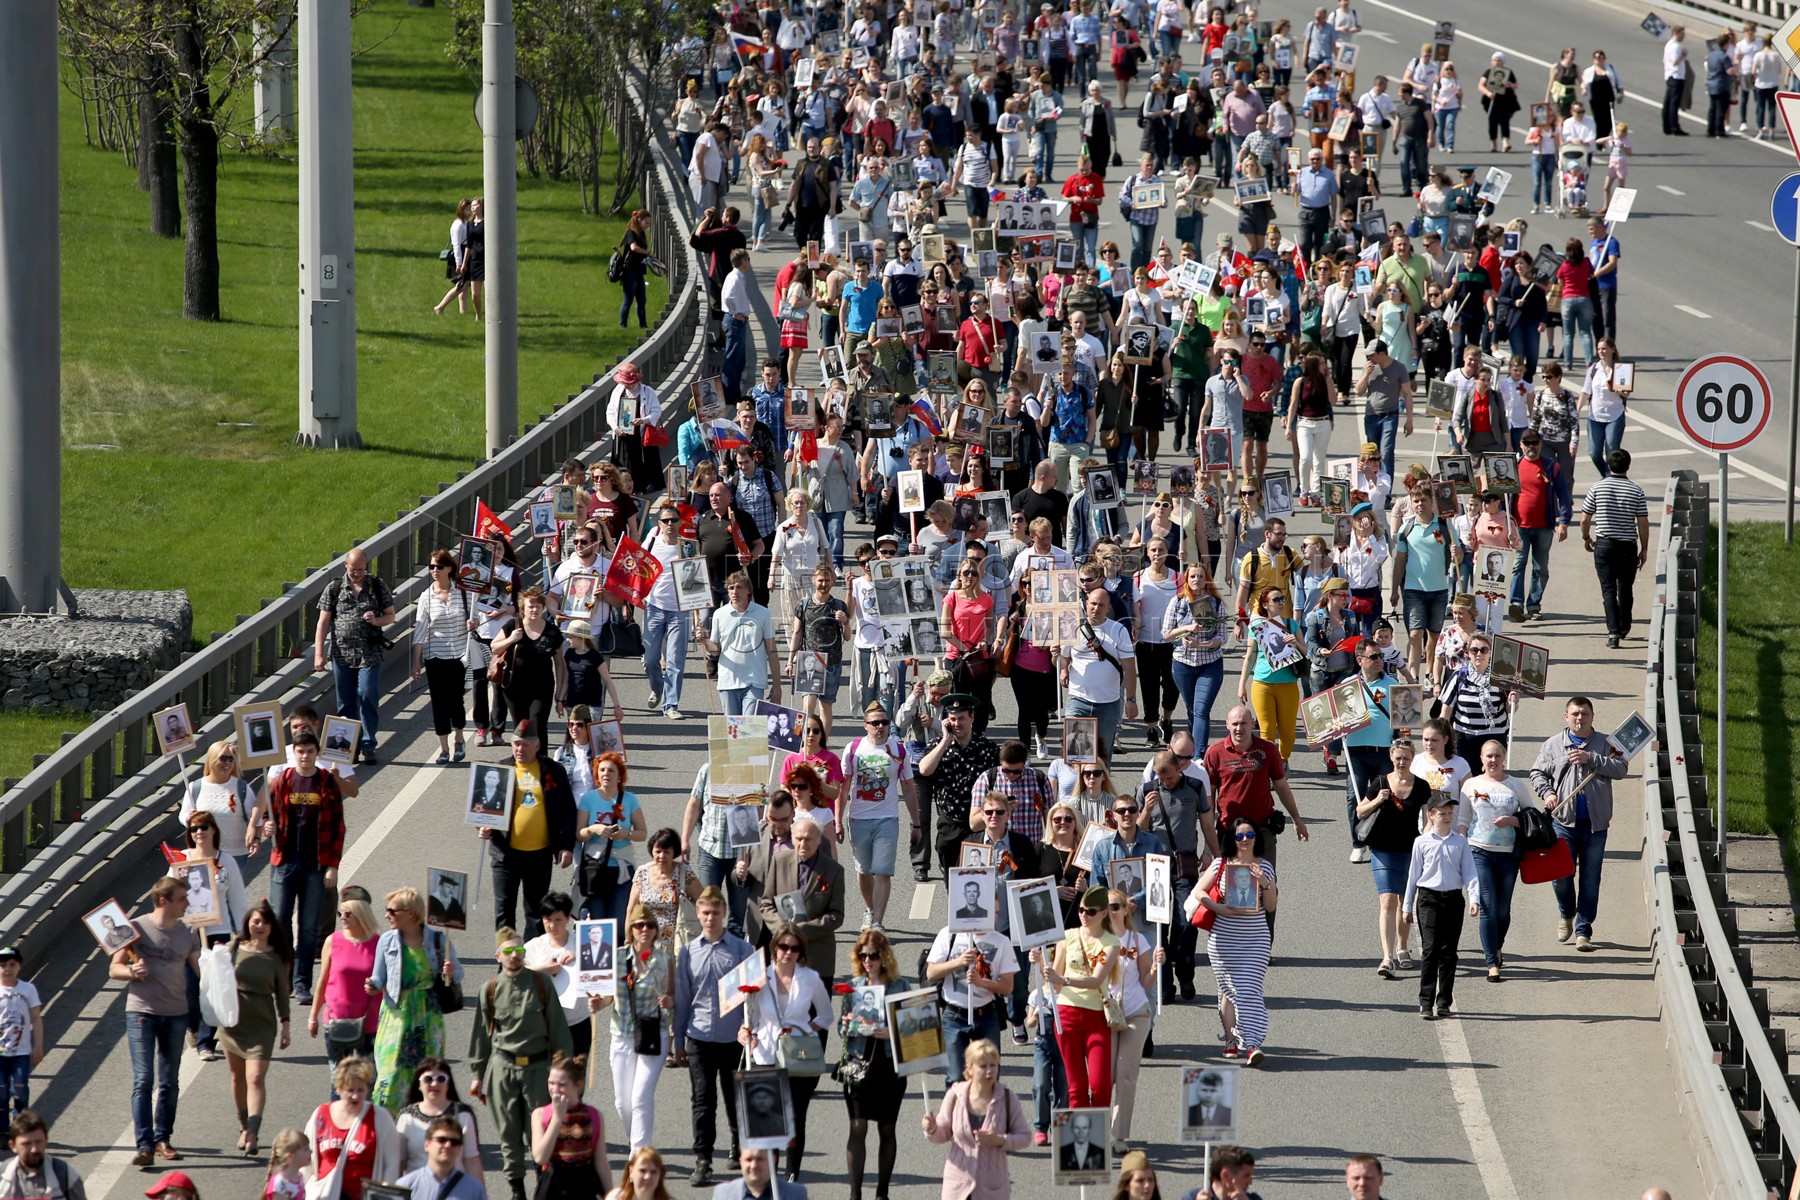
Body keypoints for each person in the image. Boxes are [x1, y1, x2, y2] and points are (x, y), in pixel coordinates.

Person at [470, 928, 573, 1200]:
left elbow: (558, 1030)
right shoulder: (489, 990)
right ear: (498, 956)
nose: (515, 955)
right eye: (508, 951)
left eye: (519, 950)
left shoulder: (540, 984)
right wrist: (477, 1074)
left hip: (538, 1070)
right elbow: (481, 1035)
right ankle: (517, 1191)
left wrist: (564, 1072)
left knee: (539, 1133)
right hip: (503, 1071)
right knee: (508, 1135)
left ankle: (543, 1187)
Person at [110, 873, 201, 1166]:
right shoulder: (134, 928)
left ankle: (163, 1139)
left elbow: (200, 969)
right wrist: (130, 972)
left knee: (169, 1081)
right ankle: (144, 1145)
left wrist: (220, 965)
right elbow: (114, 968)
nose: (187, 903)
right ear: (164, 901)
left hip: (176, 1013)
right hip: (142, 1012)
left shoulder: (189, 932)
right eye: (182, 899)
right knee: (143, 1079)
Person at [1530, 696, 1629, 952]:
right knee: (1561, 876)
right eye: (1575, 713)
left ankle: (1584, 930)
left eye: (1584, 713)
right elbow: (1537, 773)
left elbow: (1621, 768)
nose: (1579, 718)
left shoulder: (1607, 744)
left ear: (1592, 717)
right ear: (1566, 717)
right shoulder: (1553, 744)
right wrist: (1548, 793)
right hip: (1563, 823)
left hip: (1596, 825)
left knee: (1590, 881)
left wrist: (1591, 758)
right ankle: (1566, 913)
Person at [736, 927, 831, 1180]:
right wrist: (746, 1033)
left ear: (801, 952)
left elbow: (826, 1015)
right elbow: (752, 1018)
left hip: (798, 1056)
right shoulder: (760, 978)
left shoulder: (809, 978)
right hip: (765, 1055)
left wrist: (803, 1031)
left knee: (796, 1118)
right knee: (769, 1120)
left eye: (794, 948)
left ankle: (792, 1174)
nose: (788, 952)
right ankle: (771, 1175)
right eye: (784, 947)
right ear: (774, 948)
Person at [673, 888, 753, 1187]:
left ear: (724, 914)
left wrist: (749, 1030)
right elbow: (682, 999)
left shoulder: (742, 950)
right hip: (699, 1037)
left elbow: (753, 998)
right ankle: (703, 1159)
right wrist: (678, 1042)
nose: (710, 918)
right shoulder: (688, 952)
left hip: (733, 1039)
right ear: (698, 914)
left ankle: (737, 1144)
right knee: (703, 1100)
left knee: (734, 1098)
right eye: (705, 913)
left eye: (715, 913)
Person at [265, 730, 345, 1007]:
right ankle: (285, 979)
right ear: (294, 753)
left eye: (310, 752)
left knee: (309, 927)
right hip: (284, 862)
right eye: (300, 752)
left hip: (315, 865)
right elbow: (268, 813)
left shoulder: (326, 782)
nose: (305, 756)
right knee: (280, 921)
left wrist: (332, 866)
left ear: (316, 753)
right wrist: (265, 826)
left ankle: (302, 983)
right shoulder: (284, 780)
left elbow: (338, 827)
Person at [365, 888, 462, 1112]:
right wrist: (372, 985)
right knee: (389, 1074)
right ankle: (385, 1122)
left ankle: (424, 1120)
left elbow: (457, 974)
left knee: (427, 1075)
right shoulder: (387, 940)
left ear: (410, 913)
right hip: (396, 1015)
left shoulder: (438, 940)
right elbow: (379, 976)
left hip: (428, 1016)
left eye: (392, 911)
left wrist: (450, 972)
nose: (387, 915)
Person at [1196, 818, 1278, 1066]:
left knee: (1249, 988)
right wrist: (1218, 908)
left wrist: (1264, 882)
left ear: (1256, 838)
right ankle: (1231, 1040)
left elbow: (1271, 906)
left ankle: (1252, 1043)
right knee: (1228, 990)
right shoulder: (1221, 864)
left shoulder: (1265, 866)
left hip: (1255, 939)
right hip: (1223, 939)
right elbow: (1199, 892)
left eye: (1249, 835)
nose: (1245, 840)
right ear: (1232, 839)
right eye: (1240, 836)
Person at [1032, 885, 1121, 1109]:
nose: (1084, 915)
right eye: (1081, 910)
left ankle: (1099, 1129)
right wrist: (1041, 963)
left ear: (1104, 913)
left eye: (1090, 911)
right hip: (1066, 1014)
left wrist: (1064, 980)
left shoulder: (1111, 942)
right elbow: (1054, 982)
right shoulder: (1067, 936)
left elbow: (1096, 980)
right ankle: (1081, 1131)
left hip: (1096, 1016)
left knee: (1100, 1085)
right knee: (1076, 1088)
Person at [216, 900, 292, 1157]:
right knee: (237, 1077)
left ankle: (253, 1132)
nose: (260, 926)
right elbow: (216, 977)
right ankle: (243, 1126)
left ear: (272, 927)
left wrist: (286, 1024)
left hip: (262, 1024)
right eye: (255, 921)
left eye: (265, 922)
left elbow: (282, 994)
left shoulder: (277, 957)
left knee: (256, 1077)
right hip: (232, 1022)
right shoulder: (234, 948)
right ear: (248, 923)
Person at [838, 929, 908, 1200]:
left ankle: (882, 1193)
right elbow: (842, 1032)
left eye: (874, 955)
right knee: (858, 1126)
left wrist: (892, 1032)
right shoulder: (853, 986)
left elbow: (914, 1026)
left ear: (884, 956)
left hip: (888, 1064)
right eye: (863, 955)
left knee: (887, 1128)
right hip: (858, 1062)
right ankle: (855, 1194)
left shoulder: (900, 987)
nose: (868, 960)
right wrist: (847, 1024)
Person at [840, 703, 922, 929]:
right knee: (863, 871)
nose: (880, 726)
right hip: (858, 818)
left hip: (888, 819)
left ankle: (877, 921)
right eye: (875, 723)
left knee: (882, 872)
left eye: (884, 722)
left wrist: (916, 824)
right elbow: (843, 788)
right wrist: (837, 821)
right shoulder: (853, 749)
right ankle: (870, 909)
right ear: (865, 725)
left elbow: (908, 789)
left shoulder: (898, 750)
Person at [1355, 735, 1431, 977]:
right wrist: (1378, 800)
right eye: (1398, 758)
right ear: (1390, 757)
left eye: (1406, 758)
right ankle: (1387, 957)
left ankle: (1403, 947)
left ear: (1412, 758)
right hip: (1382, 849)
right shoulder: (1380, 782)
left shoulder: (1422, 786)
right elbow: (1360, 811)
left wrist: (1428, 843)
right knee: (1387, 900)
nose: (1401, 762)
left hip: (1410, 850)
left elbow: (1428, 819)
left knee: (1404, 901)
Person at [313, 549, 397, 766]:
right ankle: (349, 747)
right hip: (341, 655)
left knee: (367, 694)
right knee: (345, 703)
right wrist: (319, 653)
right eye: (353, 570)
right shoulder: (334, 588)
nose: (357, 573)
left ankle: (368, 744)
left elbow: (391, 615)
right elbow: (323, 622)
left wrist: (377, 620)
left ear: (366, 567)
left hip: (369, 654)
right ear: (345, 566)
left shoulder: (376, 586)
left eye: (361, 569)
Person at [1462, 739, 1536, 983]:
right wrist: (1459, 849)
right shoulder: (1471, 785)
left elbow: (1531, 817)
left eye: (1497, 756)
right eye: (1488, 756)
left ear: (1504, 758)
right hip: (1478, 851)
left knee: (1503, 910)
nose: (1493, 760)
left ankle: (1497, 946)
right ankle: (1491, 962)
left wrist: (1511, 821)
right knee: (1488, 906)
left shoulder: (1516, 785)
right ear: (1481, 759)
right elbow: (1463, 820)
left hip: (1508, 854)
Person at [921, 1038, 1030, 1200]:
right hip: (957, 1186)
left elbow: (1025, 1137)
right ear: (970, 1068)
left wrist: (1000, 1140)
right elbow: (942, 1133)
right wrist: (932, 1129)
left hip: (993, 1189)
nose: (989, 1071)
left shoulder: (1007, 1098)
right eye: (983, 1066)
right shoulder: (955, 1096)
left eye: (993, 1065)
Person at [307, 1056, 403, 1200]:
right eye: (350, 1090)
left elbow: (392, 1162)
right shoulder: (320, 1115)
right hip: (324, 1194)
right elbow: (306, 1158)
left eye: (360, 1090)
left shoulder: (379, 1117)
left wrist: (384, 1194)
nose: (355, 1096)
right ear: (339, 1089)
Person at [1581, 448, 1650, 648]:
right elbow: (1643, 523)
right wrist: (1644, 548)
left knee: (1608, 590)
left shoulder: (1597, 488)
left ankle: (1613, 633)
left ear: (1609, 465)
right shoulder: (1636, 491)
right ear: (1628, 466)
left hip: (1604, 545)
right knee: (1626, 588)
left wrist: (1586, 538)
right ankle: (1624, 625)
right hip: (1628, 547)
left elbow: (1585, 518)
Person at [412, 548, 474, 764]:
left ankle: (459, 737)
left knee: (456, 701)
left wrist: (472, 623)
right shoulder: (426, 597)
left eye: (439, 566)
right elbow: (420, 631)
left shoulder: (463, 592)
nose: (434, 570)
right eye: (431, 567)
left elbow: (474, 617)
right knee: (439, 703)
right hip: (435, 656)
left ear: (449, 568)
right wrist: (416, 662)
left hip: (459, 655)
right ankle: (444, 749)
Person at [310, 888, 380, 1073]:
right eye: (340, 913)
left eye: (348, 913)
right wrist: (313, 1016)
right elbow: (323, 980)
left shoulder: (378, 943)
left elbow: (388, 982)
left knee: (367, 1079)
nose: (342, 917)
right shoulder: (333, 941)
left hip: (369, 1021)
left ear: (361, 913)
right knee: (339, 1079)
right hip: (336, 1020)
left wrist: (378, 988)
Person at [528, 1052, 611, 1200]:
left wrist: (611, 1194)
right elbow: (540, 1157)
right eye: (551, 1083)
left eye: (562, 1085)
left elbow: (601, 1162)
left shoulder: (593, 1115)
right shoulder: (540, 1114)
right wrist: (557, 1118)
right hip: (553, 1187)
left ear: (578, 1085)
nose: (555, 1089)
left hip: (584, 1186)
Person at [394, 1058, 485, 1184]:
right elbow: (398, 1162)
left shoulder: (463, 1115)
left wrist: (479, 1193)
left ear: (448, 1084)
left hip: (454, 1189)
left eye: (441, 1079)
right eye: (428, 1079)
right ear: (419, 1084)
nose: (434, 1084)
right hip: (416, 1190)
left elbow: (472, 1161)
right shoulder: (406, 1117)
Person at [702, 572, 782, 716]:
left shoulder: (763, 613)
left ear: (748, 590)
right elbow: (715, 651)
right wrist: (704, 641)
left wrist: (777, 685)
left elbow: (772, 652)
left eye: (739, 587)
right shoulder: (719, 614)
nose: (735, 592)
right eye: (731, 588)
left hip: (754, 682)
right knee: (732, 729)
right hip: (727, 682)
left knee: (748, 728)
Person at [397, 1115, 486, 1200]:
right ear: (427, 1144)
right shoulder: (406, 1186)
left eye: (454, 1142)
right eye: (441, 1140)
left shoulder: (474, 1190)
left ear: (459, 1149)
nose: (448, 1145)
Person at [2, 1111, 86, 1200]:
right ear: (13, 1146)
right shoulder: (3, 1176)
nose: (34, 1149)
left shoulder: (66, 1176)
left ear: (46, 1141)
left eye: (38, 1142)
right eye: (27, 1144)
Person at [0, 948, 42, 1120]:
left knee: (20, 1088)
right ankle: (2, 1129)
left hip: (21, 1052)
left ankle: (20, 1124)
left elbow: (36, 1018)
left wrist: (38, 1046)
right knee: (1, 1091)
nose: (7, 969)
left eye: (12, 964)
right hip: (0, 1052)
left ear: (19, 967)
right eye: (3, 965)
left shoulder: (28, 989)